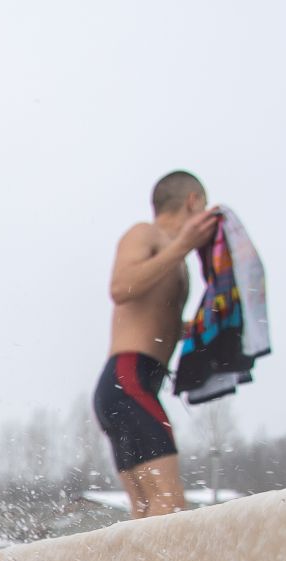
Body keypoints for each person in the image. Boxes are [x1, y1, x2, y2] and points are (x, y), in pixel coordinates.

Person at [94, 171, 221, 517]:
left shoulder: (174, 258)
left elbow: (154, 319)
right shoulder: (145, 234)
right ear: (193, 202)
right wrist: (183, 245)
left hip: (130, 383)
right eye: (204, 207)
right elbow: (120, 288)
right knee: (170, 501)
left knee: (147, 509)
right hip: (128, 380)